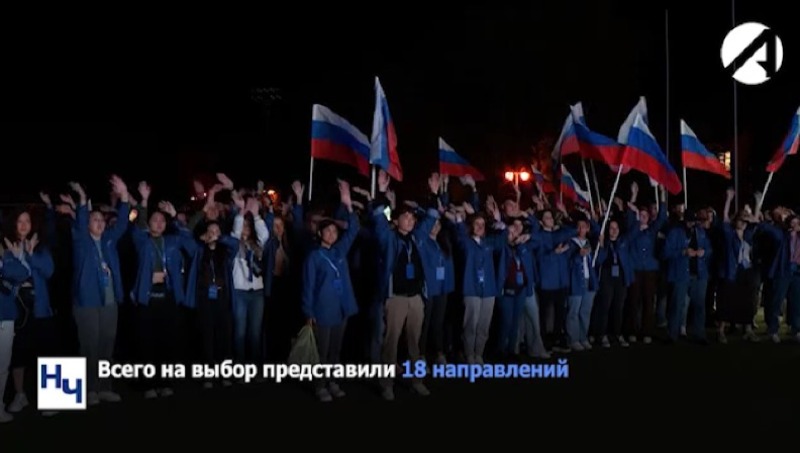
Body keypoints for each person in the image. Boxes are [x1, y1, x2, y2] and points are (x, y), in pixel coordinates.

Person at [373, 171, 439, 400]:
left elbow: (431, 216)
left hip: (416, 297)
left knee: (415, 342)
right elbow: (377, 217)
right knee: (391, 342)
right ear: (396, 220)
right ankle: (387, 384)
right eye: (406, 217)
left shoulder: (417, 237)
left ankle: (417, 381)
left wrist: (434, 193)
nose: (410, 221)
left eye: (412, 218)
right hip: (396, 298)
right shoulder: (389, 238)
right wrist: (381, 192)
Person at [67, 178, 131, 406]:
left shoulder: (109, 240)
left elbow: (122, 223)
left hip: (110, 303)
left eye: (102, 220)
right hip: (87, 303)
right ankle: (89, 388)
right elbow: (80, 219)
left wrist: (124, 196)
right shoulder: (81, 240)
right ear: (86, 223)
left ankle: (105, 388)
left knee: (107, 345)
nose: (100, 223)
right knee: (89, 346)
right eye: (95, 219)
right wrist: (83, 200)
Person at [131, 197, 198, 399]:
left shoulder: (172, 240)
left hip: (168, 296)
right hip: (148, 296)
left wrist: (176, 216)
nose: (159, 223)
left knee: (167, 340)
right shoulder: (142, 240)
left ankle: (165, 382)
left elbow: (193, 247)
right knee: (147, 341)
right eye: (155, 220)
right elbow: (137, 227)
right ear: (148, 223)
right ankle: (149, 384)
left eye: (162, 220)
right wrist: (144, 201)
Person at [301, 179, 359, 402]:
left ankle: (332, 381)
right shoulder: (314, 256)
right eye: (328, 230)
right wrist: (308, 312)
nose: (333, 234)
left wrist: (348, 204)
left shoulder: (339, 251)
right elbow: (308, 285)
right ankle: (320, 385)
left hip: (341, 308)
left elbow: (353, 230)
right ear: (320, 234)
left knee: (336, 350)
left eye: (335, 230)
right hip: (323, 310)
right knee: (322, 351)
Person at [4, 209, 55, 414]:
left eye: (27, 221)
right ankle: (20, 395)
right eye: (19, 221)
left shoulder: (41, 247)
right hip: (18, 310)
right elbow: (9, 274)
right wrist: (17, 257)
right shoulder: (7, 248)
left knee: (47, 352)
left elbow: (49, 271)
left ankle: (52, 398)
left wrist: (31, 255)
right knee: (18, 354)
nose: (24, 225)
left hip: (41, 307)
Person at [183, 220, 238, 388]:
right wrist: (202, 239)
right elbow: (185, 240)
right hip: (204, 296)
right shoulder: (199, 250)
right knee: (206, 335)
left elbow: (235, 244)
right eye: (210, 230)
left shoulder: (225, 251)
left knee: (224, 335)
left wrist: (219, 239)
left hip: (222, 296)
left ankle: (225, 373)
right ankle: (208, 374)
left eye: (216, 230)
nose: (213, 233)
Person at [663, 210, 712, 343]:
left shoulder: (701, 232)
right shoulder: (675, 232)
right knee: (677, 305)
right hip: (681, 274)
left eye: (694, 222)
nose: (692, 224)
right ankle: (672, 334)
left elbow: (709, 249)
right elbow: (666, 252)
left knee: (699, 306)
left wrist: (704, 252)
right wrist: (683, 252)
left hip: (699, 274)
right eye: (690, 221)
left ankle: (699, 334)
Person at [717, 189, 760, 343]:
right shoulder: (730, 234)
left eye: (745, 221)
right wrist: (729, 199)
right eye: (740, 220)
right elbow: (724, 218)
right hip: (731, 272)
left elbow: (756, 221)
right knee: (726, 302)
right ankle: (721, 331)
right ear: (735, 221)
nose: (743, 223)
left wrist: (757, 203)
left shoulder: (748, 235)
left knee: (747, 302)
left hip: (745, 272)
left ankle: (747, 330)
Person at [0, 241, 32, 423]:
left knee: (3, 366)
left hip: (5, 317)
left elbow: (22, 273)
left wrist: (10, 259)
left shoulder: (7, 257)